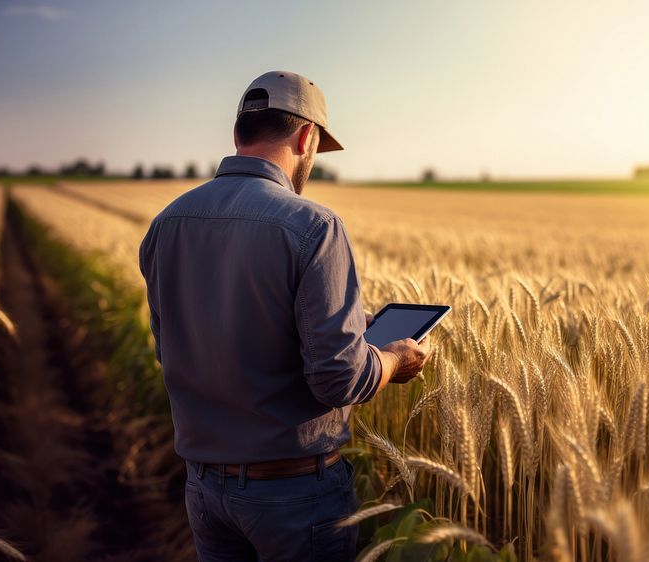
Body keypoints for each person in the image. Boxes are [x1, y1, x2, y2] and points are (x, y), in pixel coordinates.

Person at [138, 70, 432, 561]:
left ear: (237, 135)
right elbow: (337, 378)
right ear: (306, 137)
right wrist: (393, 360)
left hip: (204, 490)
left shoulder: (166, 225)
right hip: (295, 496)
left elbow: (171, 350)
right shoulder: (313, 226)